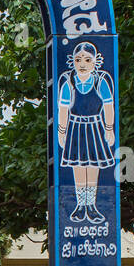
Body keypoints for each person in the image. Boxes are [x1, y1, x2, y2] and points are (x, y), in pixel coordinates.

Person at [57, 41, 115, 223]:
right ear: (72, 61)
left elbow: (108, 106)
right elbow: (63, 109)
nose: (82, 64)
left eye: (87, 60)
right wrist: (61, 131)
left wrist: (109, 128)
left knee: (93, 167)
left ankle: (92, 206)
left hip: (95, 127)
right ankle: (81, 205)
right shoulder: (68, 82)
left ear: (95, 61)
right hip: (75, 128)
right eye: (78, 59)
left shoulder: (100, 81)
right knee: (78, 167)